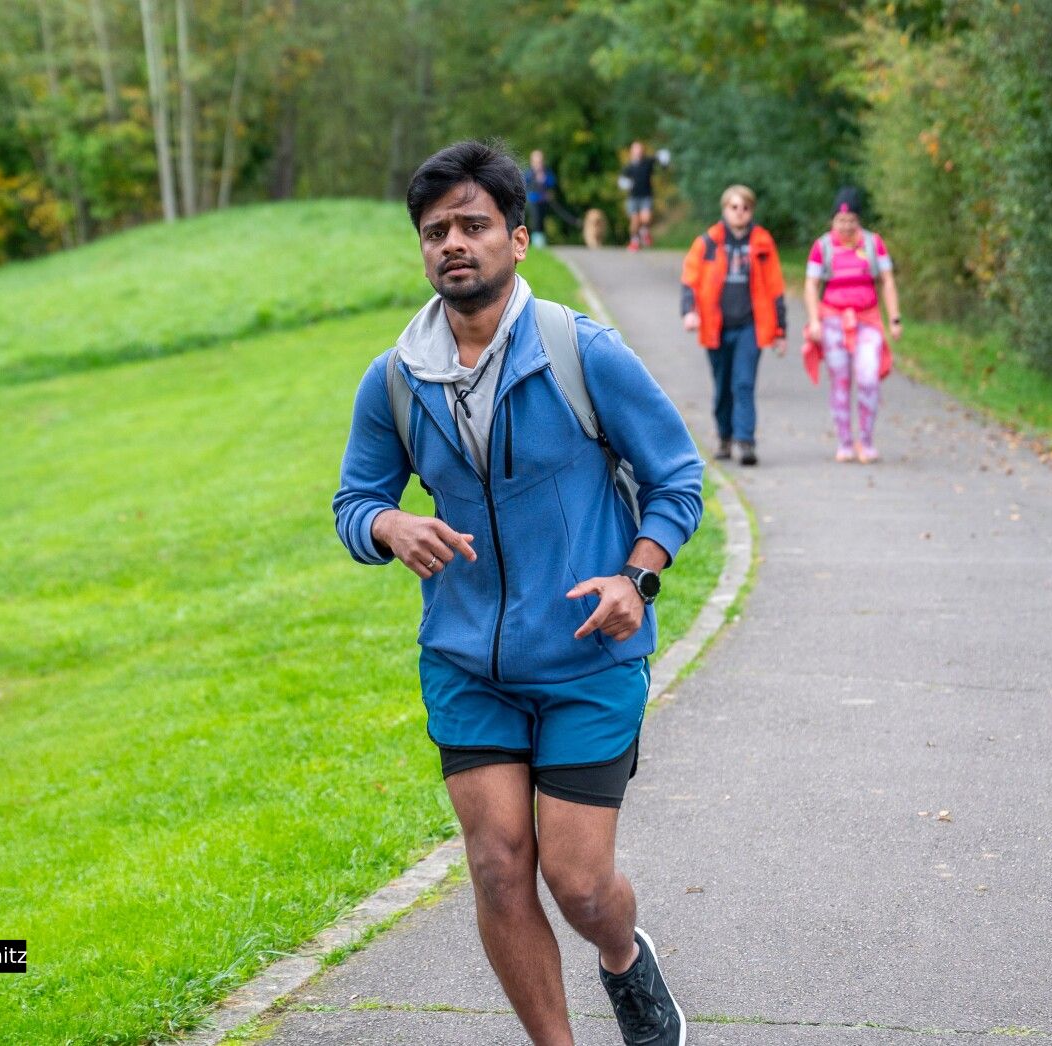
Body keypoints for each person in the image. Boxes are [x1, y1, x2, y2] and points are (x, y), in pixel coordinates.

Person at [334, 139, 702, 1046]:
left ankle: (623, 956)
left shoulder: (584, 352)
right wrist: (391, 526)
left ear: (518, 238)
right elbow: (355, 502)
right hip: (468, 662)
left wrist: (637, 577)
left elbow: (677, 479)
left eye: (474, 225)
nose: (454, 244)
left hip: (585, 655)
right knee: (499, 867)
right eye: (436, 232)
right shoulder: (396, 379)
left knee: (579, 885)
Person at [679, 184, 787, 466]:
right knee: (723, 386)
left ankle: (745, 441)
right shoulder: (709, 242)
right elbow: (690, 278)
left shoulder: (762, 242)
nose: (740, 212)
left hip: (750, 325)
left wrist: (780, 330)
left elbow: (775, 286)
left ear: (752, 211)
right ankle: (724, 436)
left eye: (745, 207)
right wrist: (689, 312)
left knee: (744, 383)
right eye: (734, 207)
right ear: (725, 209)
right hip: (717, 326)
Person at [804, 187, 901, 463]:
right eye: (840, 221)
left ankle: (866, 441)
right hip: (832, 321)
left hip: (867, 320)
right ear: (832, 220)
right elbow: (811, 285)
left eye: (851, 221)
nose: (846, 226)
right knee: (840, 381)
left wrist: (894, 318)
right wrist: (814, 320)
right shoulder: (822, 247)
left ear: (859, 220)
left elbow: (887, 281)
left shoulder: (873, 244)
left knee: (868, 378)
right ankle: (845, 442)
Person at [523, 149, 580, 247]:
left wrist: (544, 180)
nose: (538, 164)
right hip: (533, 200)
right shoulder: (529, 173)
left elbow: (553, 184)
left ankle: (542, 239)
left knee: (545, 218)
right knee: (536, 219)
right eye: (536, 162)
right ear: (532, 162)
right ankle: (537, 241)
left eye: (540, 161)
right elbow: (525, 185)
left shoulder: (547, 173)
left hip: (545, 201)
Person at [619, 141, 668, 250]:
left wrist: (664, 158)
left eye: (640, 149)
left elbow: (660, 160)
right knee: (635, 221)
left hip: (646, 195)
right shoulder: (629, 167)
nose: (638, 152)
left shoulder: (648, 162)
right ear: (632, 152)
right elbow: (622, 181)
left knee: (646, 218)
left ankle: (644, 232)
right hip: (633, 197)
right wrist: (625, 184)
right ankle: (634, 240)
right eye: (636, 150)